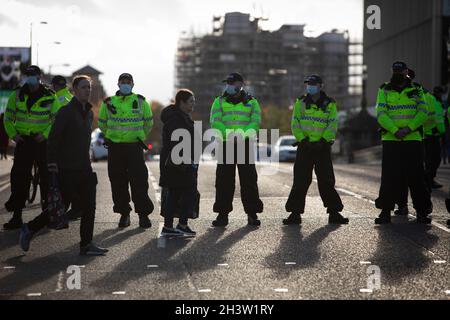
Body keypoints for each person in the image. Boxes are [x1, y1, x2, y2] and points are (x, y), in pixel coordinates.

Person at [19, 75, 108, 256]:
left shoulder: (89, 113)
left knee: (89, 206)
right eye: (83, 87)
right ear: (74, 90)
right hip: (66, 169)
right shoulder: (66, 112)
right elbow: (53, 139)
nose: (87, 91)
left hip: (84, 168)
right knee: (59, 207)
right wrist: (51, 163)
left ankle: (86, 244)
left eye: (89, 88)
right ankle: (29, 228)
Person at [283, 75, 348, 225]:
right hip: (304, 147)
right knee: (300, 181)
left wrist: (323, 141)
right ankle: (295, 214)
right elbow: (295, 123)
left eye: (313, 84)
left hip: (322, 148)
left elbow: (333, 124)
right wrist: (303, 140)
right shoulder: (300, 102)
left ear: (320, 86)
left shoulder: (330, 104)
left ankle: (334, 213)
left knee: (326, 181)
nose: (310, 86)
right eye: (308, 84)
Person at [2, 65, 60, 230]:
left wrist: (46, 134)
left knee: (47, 179)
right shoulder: (17, 94)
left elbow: (56, 120)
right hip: (24, 142)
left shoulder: (50, 96)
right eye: (28, 75)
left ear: (40, 76)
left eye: (33, 74)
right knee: (19, 179)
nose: (30, 77)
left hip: (42, 142)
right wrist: (14, 135)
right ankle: (17, 216)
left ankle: (46, 215)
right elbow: (8, 118)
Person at [374, 61, 432, 224]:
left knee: (416, 177)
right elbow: (381, 113)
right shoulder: (384, 88)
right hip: (391, 139)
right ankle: (385, 212)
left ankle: (422, 211)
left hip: (412, 138)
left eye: (400, 71)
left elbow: (423, 112)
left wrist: (408, 128)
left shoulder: (416, 89)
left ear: (406, 72)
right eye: (395, 71)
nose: (397, 74)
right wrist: (394, 130)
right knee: (389, 177)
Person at [98, 73, 154, 229]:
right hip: (115, 148)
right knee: (117, 182)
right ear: (118, 84)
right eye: (122, 82)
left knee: (139, 182)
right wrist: (111, 134)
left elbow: (148, 122)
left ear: (132, 84)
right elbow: (102, 123)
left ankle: (143, 215)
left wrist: (140, 135)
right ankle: (124, 214)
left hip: (134, 147)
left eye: (128, 82)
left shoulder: (141, 101)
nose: (125, 84)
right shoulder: (108, 102)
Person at [209, 72, 263, 227]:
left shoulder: (252, 102)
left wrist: (241, 135)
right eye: (228, 83)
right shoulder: (218, 101)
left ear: (240, 85)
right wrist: (230, 135)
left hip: (244, 144)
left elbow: (255, 122)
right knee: (223, 181)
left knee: (249, 180)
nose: (228, 86)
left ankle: (252, 214)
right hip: (226, 144)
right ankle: (222, 215)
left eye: (231, 83)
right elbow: (215, 121)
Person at [159, 89, 199, 236]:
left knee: (183, 193)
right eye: (190, 102)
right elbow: (178, 143)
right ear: (181, 102)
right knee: (177, 193)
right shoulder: (176, 119)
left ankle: (181, 224)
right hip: (177, 163)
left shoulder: (182, 116)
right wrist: (186, 162)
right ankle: (169, 227)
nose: (193, 104)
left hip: (181, 162)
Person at [51, 75, 80, 221]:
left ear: (54, 86)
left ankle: (57, 210)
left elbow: (53, 122)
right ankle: (76, 208)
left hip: (62, 143)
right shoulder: (71, 98)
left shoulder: (55, 100)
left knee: (62, 177)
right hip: (75, 143)